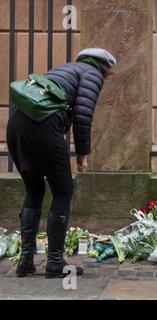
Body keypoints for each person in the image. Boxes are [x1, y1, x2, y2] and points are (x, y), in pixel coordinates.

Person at [6, 48, 116, 278]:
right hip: (43, 126)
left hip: (16, 124)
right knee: (63, 191)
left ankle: (25, 260)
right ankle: (55, 261)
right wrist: (83, 153)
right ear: (104, 67)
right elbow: (83, 116)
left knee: (34, 190)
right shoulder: (92, 73)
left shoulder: (62, 70)